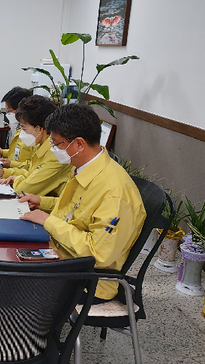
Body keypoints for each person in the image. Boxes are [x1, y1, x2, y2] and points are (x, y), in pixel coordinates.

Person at [19, 103, 146, 302]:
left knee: (7, 279)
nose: (53, 149)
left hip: (88, 280)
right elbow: (76, 211)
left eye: (57, 144)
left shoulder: (114, 193)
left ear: (79, 143)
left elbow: (99, 254)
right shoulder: (86, 166)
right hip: (62, 255)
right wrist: (41, 202)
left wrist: (48, 221)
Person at [0, 95, 74, 197]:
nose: (22, 132)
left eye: (24, 128)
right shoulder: (40, 144)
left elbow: (25, 189)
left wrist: (15, 179)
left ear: (39, 129)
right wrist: (3, 173)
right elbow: (31, 173)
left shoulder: (55, 154)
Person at [0, 86, 33, 174]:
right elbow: (17, 153)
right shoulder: (20, 127)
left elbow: (33, 165)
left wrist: (11, 164)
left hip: (18, 175)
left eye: (10, 110)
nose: (8, 114)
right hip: (12, 173)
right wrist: (2, 152)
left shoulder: (33, 133)